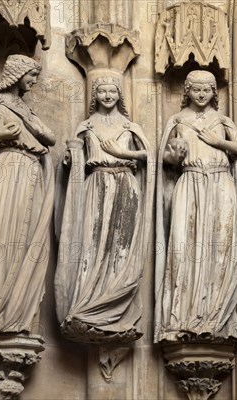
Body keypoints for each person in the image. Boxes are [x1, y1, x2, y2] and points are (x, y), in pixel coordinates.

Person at [54, 75, 155, 344]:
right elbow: (72, 160)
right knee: (91, 245)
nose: (107, 95)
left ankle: (115, 306)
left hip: (124, 184)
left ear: (119, 95)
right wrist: (70, 157)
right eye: (102, 91)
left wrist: (126, 155)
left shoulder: (130, 126)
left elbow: (149, 157)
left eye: (112, 91)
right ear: (94, 95)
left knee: (120, 249)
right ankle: (89, 303)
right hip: (95, 185)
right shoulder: (85, 126)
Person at [154, 70, 237, 343]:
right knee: (184, 244)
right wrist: (174, 154)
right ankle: (182, 315)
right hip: (190, 181)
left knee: (219, 246)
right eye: (196, 89)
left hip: (220, 184)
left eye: (207, 89)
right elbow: (165, 159)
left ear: (214, 93)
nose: (202, 94)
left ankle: (215, 315)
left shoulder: (222, 120)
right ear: (187, 92)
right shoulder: (177, 120)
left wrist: (218, 142)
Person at [0, 54, 55, 334]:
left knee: (28, 237)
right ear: (17, 74)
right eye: (31, 76)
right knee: (4, 233)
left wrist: (32, 125)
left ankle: (21, 312)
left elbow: (50, 138)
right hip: (6, 166)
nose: (34, 81)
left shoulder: (26, 110)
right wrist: (0, 133)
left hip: (31, 167)